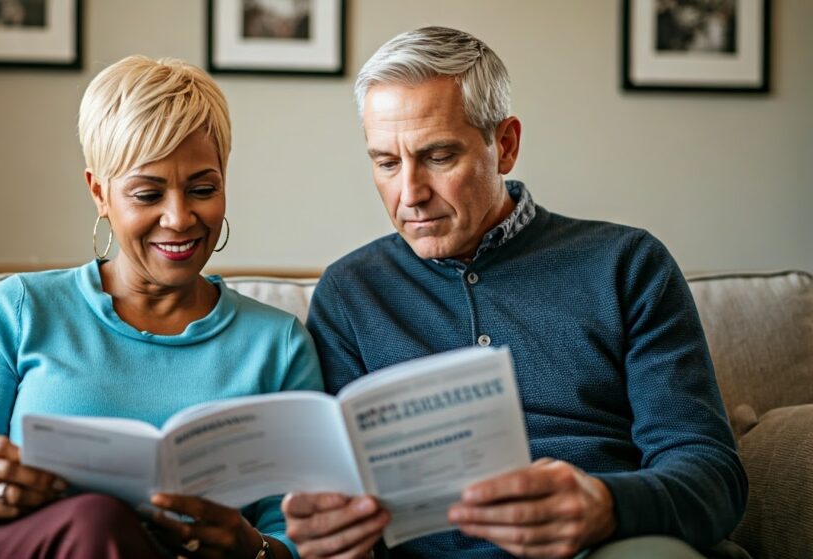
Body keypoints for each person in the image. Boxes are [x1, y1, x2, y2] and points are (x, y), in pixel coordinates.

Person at [282, 26, 747, 559]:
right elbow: (340, 499)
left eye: (437, 156)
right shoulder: (350, 293)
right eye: (386, 162)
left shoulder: (626, 264)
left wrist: (606, 505)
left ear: (504, 146)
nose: (409, 194)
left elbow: (713, 476)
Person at [0, 55, 321, 559]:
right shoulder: (21, 310)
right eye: (147, 194)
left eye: (203, 190)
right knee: (96, 521)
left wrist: (248, 546)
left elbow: (298, 542)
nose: (180, 218)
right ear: (100, 193)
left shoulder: (278, 345)